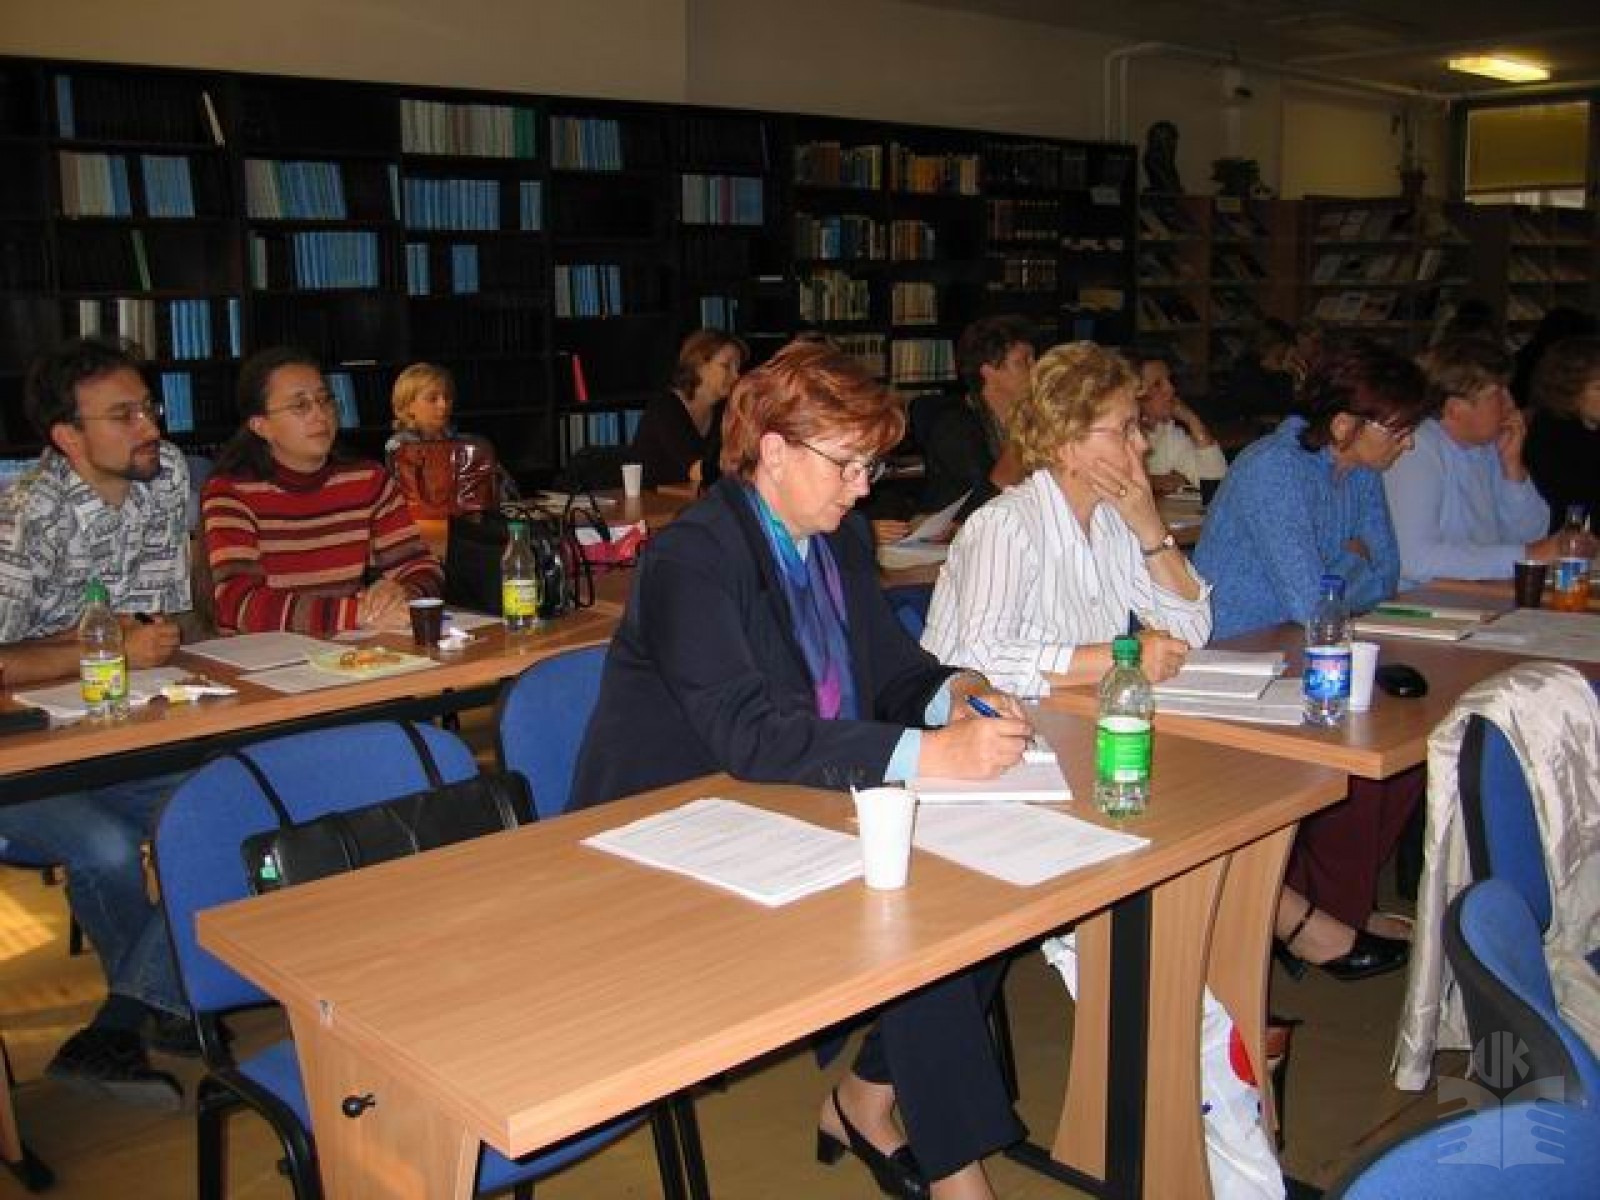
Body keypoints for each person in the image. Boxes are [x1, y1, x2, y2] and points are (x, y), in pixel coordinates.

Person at [573, 341, 1031, 1200]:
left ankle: (869, 1098)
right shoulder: (694, 558)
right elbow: (750, 735)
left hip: (786, 803)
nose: (863, 488)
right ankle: (954, 1171)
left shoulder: (836, 536)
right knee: (920, 912)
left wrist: (959, 693)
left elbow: (890, 671)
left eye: (871, 465)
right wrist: (929, 753)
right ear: (774, 451)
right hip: (668, 828)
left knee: (993, 889)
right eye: (847, 464)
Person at [0, 336, 195, 1108]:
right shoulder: (25, 516)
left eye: (147, 406)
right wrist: (98, 644)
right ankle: (163, 1004)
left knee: (234, 807)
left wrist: (146, 645)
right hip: (20, 758)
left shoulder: (165, 474)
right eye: (124, 416)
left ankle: (126, 1019)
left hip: (123, 731)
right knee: (110, 850)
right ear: (68, 438)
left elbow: (163, 617)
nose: (150, 426)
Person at [1195, 340, 1429, 981]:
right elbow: (1308, 598)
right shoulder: (1273, 470)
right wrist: (1348, 564)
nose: (1408, 444)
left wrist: (1339, 577)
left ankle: (1338, 902)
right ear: (1347, 423)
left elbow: (1386, 575)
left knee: (1409, 752)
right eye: (1399, 430)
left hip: (1302, 650)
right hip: (1235, 658)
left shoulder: (1360, 472)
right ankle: (1321, 914)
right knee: (1363, 744)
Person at [921, 341, 1210, 699]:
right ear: (1066, 444)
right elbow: (983, 659)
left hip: (1070, 713)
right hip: (980, 723)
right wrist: (1123, 658)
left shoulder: (1115, 520)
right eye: (1125, 429)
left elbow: (1191, 634)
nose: (1142, 445)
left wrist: (1152, 530)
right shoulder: (1005, 524)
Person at [202, 347, 442, 635]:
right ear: (261, 426)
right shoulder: (231, 493)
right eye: (300, 406)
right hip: (266, 655)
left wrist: (401, 592)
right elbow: (238, 603)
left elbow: (422, 567)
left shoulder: (367, 480)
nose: (320, 415)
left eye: (325, 400)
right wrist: (354, 614)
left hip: (349, 647)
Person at [1384, 337, 1585, 589]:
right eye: (1498, 394)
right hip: (1417, 602)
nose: (1511, 404)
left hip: (1476, 595)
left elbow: (1531, 536)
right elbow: (1414, 560)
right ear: (1455, 409)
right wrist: (1526, 555)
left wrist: (1513, 469)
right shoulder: (1415, 448)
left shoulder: (1486, 445)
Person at [917, 315, 1036, 524]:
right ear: (988, 371)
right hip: (963, 530)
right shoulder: (955, 424)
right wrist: (1027, 426)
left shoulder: (1028, 414)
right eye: (1023, 362)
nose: (1035, 369)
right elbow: (987, 498)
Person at [383, 361, 516, 507]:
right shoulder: (399, 445)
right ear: (408, 405)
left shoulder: (471, 443)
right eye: (432, 399)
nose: (443, 405)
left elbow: (505, 490)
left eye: (447, 397)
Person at [630, 328, 746, 487]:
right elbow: (696, 470)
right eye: (726, 366)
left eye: (737, 367)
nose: (736, 375)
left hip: (694, 497)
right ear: (699, 366)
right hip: (651, 500)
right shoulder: (666, 407)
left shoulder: (723, 409)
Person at [1125, 349, 1227, 495]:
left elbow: (1217, 486)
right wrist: (1151, 482)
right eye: (1157, 384)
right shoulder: (1111, 435)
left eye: (1169, 380)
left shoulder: (1167, 434)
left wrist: (1192, 420)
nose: (1171, 389)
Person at [1526, 334, 1600, 532]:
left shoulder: (1590, 427)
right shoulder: (1551, 436)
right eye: (1598, 388)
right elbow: (1573, 505)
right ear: (1568, 391)